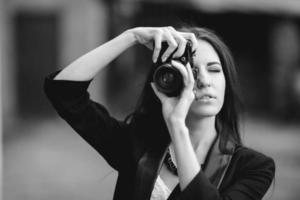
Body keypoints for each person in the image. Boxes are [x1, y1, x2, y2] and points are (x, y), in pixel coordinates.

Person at [44, 26, 275, 200]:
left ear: (227, 81)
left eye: (214, 69)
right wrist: (131, 37)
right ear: (168, 80)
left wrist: (177, 126)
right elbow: (63, 92)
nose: (204, 80)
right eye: (191, 70)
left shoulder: (254, 167)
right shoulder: (137, 143)